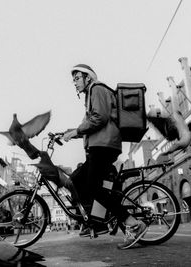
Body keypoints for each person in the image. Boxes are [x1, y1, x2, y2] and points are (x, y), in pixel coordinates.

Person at [63, 64, 148, 249]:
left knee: (93, 187)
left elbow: (99, 118)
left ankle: (132, 223)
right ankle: (96, 221)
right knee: (77, 179)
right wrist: (69, 133)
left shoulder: (98, 89)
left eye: (77, 78)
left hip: (104, 145)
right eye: (74, 79)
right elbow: (90, 122)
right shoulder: (91, 93)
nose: (74, 82)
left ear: (88, 77)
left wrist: (76, 131)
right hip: (99, 145)